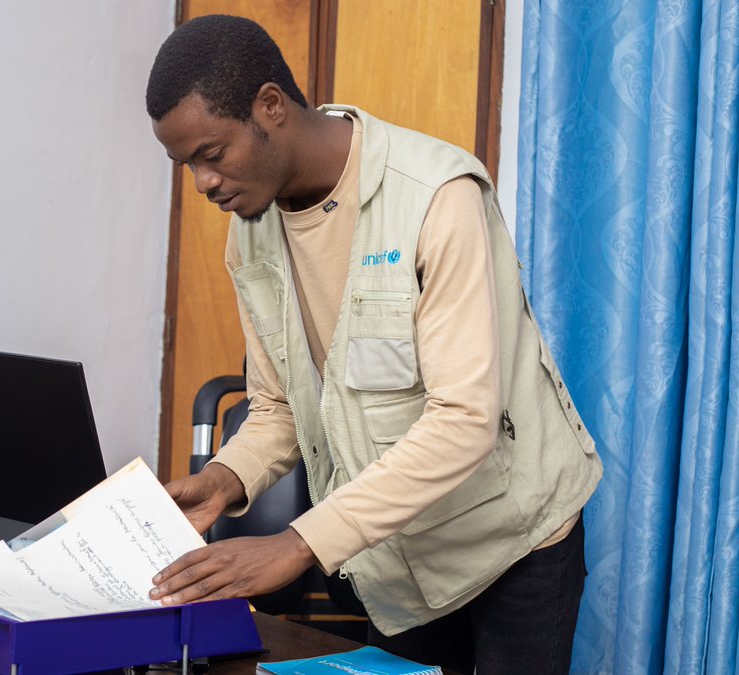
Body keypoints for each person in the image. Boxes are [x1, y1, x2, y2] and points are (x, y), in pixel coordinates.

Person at [143, 15, 602, 675]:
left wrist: (299, 542)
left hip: (512, 538)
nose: (202, 183)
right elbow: (280, 408)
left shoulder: (436, 199)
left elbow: (464, 420)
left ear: (270, 106)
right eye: (185, 163)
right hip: (395, 546)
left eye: (211, 154)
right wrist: (223, 479)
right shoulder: (251, 229)